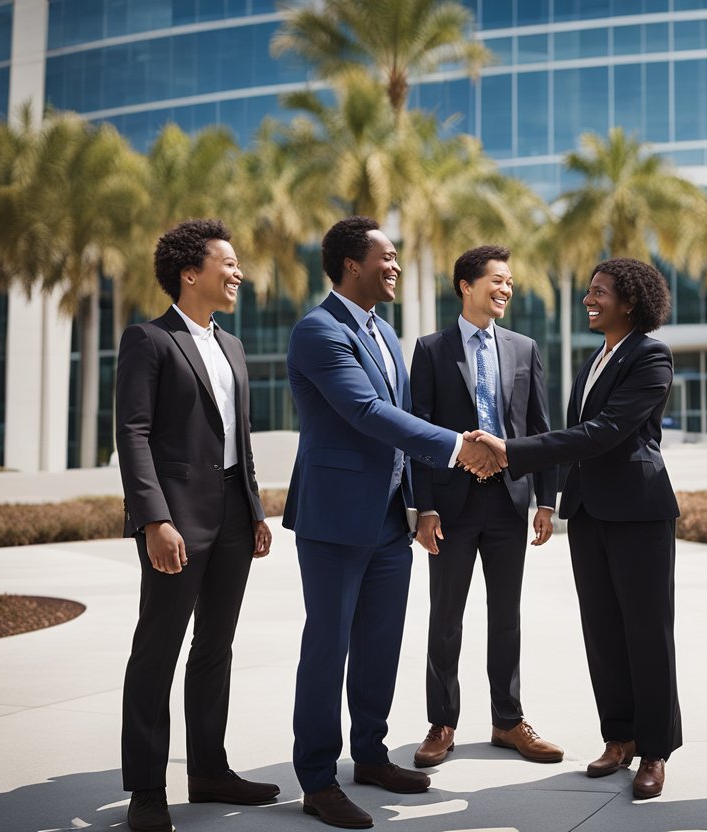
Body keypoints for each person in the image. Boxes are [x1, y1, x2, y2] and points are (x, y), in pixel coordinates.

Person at [284, 217, 500, 829]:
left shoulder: (382, 330)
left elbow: (399, 423)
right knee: (329, 648)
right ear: (353, 263)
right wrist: (461, 446)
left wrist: (421, 503)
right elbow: (367, 411)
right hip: (334, 518)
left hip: (387, 519)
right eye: (388, 255)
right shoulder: (317, 331)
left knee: (380, 644)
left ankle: (371, 756)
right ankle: (318, 780)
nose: (397, 265)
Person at [470, 257, 681, 799]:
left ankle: (654, 751)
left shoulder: (650, 355)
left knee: (646, 635)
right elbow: (581, 434)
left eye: (600, 292)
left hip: (638, 512)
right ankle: (619, 737)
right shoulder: (595, 359)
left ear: (629, 302)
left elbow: (603, 433)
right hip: (589, 514)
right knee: (603, 632)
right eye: (589, 291)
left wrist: (513, 452)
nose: (590, 300)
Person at [116, 218, 278, 832]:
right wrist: (153, 519)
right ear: (191, 273)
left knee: (215, 649)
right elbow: (132, 433)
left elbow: (240, 436)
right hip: (175, 524)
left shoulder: (232, 346)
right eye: (227, 263)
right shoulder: (149, 340)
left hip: (234, 519)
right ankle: (145, 790)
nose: (238, 273)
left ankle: (209, 769)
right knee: (156, 652)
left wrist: (256, 509)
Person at [409, 245, 563, 768]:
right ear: (466, 286)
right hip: (449, 507)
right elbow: (419, 431)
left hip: (509, 503)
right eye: (497, 280)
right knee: (445, 617)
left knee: (507, 615)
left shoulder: (523, 347)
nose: (505, 290)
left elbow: (538, 428)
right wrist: (423, 508)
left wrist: (547, 500)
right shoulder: (431, 349)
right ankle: (442, 723)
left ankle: (508, 720)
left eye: (510, 283)